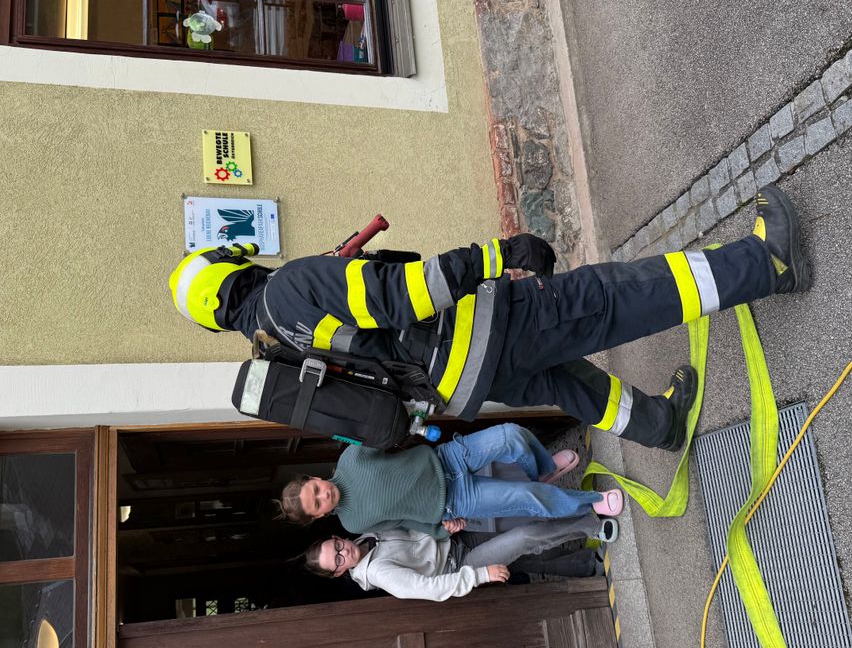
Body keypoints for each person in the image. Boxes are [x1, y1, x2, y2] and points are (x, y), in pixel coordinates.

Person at [170, 185, 808, 450]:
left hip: (462, 385)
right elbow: (404, 296)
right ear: (232, 266)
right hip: (486, 330)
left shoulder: (274, 346)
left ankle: (659, 425)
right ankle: (768, 263)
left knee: (568, 384)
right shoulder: (292, 286)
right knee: (617, 296)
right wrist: (500, 254)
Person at [277, 422, 624, 538]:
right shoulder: (353, 523)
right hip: (456, 501)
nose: (324, 496)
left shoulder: (350, 456)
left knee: (511, 436)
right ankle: (594, 504)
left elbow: (386, 429)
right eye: (317, 504)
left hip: (447, 457)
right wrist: (442, 529)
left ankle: (544, 468)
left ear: (315, 478)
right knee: (527, 497)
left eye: (316, 490)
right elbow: (403, 523)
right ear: (319, 516)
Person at [303, 516, 615, 601]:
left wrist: (440, 527)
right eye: (338, 561)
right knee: (523, 539)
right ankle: (593, 526)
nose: (344, 552)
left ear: (337, 537)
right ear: (337, 573)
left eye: (337, 546)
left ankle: (588, 564)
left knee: (526, 555)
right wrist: (480, 576)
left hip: (455, 538)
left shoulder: (364, 534)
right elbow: (430, 589)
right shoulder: (380, 573)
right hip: (461, 566)